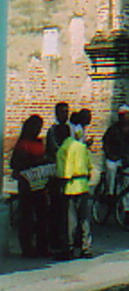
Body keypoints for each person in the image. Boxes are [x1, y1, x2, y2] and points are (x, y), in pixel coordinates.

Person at [10, 115, 50, 258]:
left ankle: (42, 246)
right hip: (27, 184)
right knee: (27, 217)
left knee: (42, 216)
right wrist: (35, 162)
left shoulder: (39, 142)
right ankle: (27, 248)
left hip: (39, 184)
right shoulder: (24, 144)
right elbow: (15, 164)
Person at [55, 115, 94, 259]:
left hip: (70, 187)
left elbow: (63, 172)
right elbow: (90, 166)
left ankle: (69, 248)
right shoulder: (81, 146)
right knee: (84, 219)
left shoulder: (63, 149)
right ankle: (86, 248)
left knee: (70, 220)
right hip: (83, 185)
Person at [102, 105, 129, 213]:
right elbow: (106, 143)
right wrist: (110, 155)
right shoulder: (113, 129)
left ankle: (127, 210)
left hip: (127, 160)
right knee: (110, 168)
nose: (126, 117)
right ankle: (109, 193)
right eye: (123, 115)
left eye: (127, 115)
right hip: (114, 157)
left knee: (127, 185)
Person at [44, 102, 71, 256]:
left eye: (67, 112)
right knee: (56, 208)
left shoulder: (68, 129)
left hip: (67, 172)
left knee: (65, 209)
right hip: (56, 173)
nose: (65, 115)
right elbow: (55, 150)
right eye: (62, 112)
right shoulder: (53, 131)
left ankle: (63, 238)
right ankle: (54, 238)